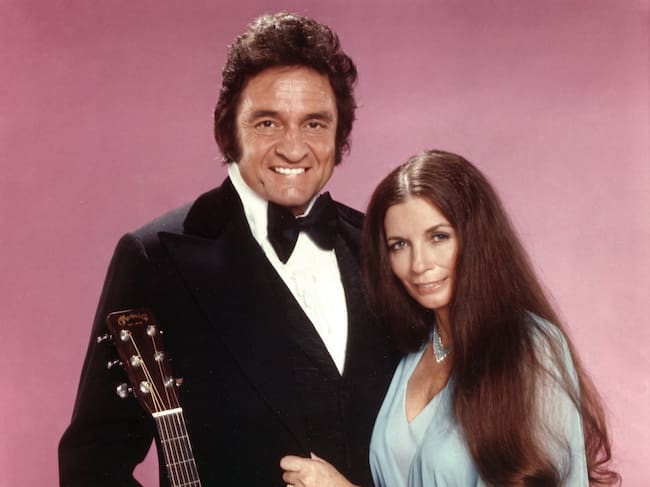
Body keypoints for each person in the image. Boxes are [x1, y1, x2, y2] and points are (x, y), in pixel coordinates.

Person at [58, 13, 397, 487]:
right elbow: (91, 465)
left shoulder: (378, 245)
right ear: (228, 131)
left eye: (315, 123)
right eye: (267, 122)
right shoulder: (157, 258)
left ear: (340, 136)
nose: (294, 148)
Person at [281, 150, 620, 486]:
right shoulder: (411, 354)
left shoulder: (531, 347)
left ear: (476, 238)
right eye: (399, 245)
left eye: (438, 237)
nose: (419, 264)